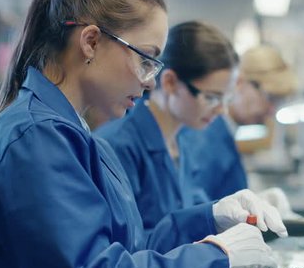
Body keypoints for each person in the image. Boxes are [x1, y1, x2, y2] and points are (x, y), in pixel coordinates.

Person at [0, 0, 286, 268]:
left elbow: (129, 252)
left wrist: (210, 220)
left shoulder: (73, 135)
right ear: (91, 42)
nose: (149, 83)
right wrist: (216, 257)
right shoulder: (34, 140)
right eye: (145, 60)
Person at [95, 20, 237, 235]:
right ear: (170, 82)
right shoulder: (117, 146)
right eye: (211, 98)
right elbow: (125, 245)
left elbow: (188, 213)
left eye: (226, 100)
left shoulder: (183, 141)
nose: (222, 111)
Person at [178, 45, 299, 213]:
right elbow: (194, 213)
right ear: (239, 83)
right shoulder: (205, 137)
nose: (272, 110)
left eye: (278, 102)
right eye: (269, 97)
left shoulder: (223, 134)